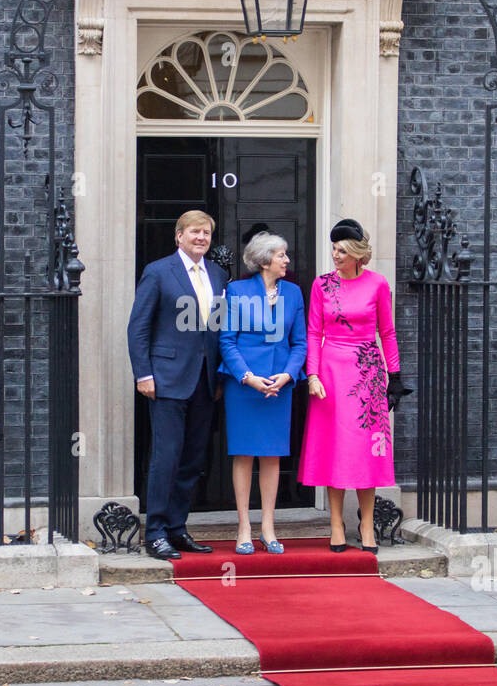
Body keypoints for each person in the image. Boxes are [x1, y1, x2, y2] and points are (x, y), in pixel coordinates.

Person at [298, 219, 409, 555]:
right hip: (330, 372)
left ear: (359, 255)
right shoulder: (322, 285)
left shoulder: (377, 284)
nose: (335, 255)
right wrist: (312, 375)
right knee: (334, 447)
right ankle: (335, 523)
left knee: (365, 450)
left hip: (367, 373)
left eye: (342, 250)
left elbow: (387, 332)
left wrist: (395, 376)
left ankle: (366, 522)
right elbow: (314, 332)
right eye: (333, 248)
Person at [126, 210, 228, 561]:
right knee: (166, 457)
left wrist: (218, 375)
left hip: (204, 380)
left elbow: (215, 331)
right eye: (195, 232)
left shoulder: (217, 273)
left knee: (192, 459)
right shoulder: (158, 272)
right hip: (167, 378)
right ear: (179, 236)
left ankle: (177, 528)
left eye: (206, 233)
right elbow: (138, 327)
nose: (201, 238)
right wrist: (143, 374)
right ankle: (154, 532)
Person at [218, 232, 306, 555]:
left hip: (279, 385)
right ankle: (243, 525)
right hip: (244, 385)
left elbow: (300, 343)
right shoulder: (238, 291)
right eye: (282, 255)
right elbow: (227, 340)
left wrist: (289, 374)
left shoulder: (294, 294)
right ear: (265, 259)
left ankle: (268, 525)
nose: (287, 261)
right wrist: (248, 377)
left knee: (272, 455)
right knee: (244, 454)